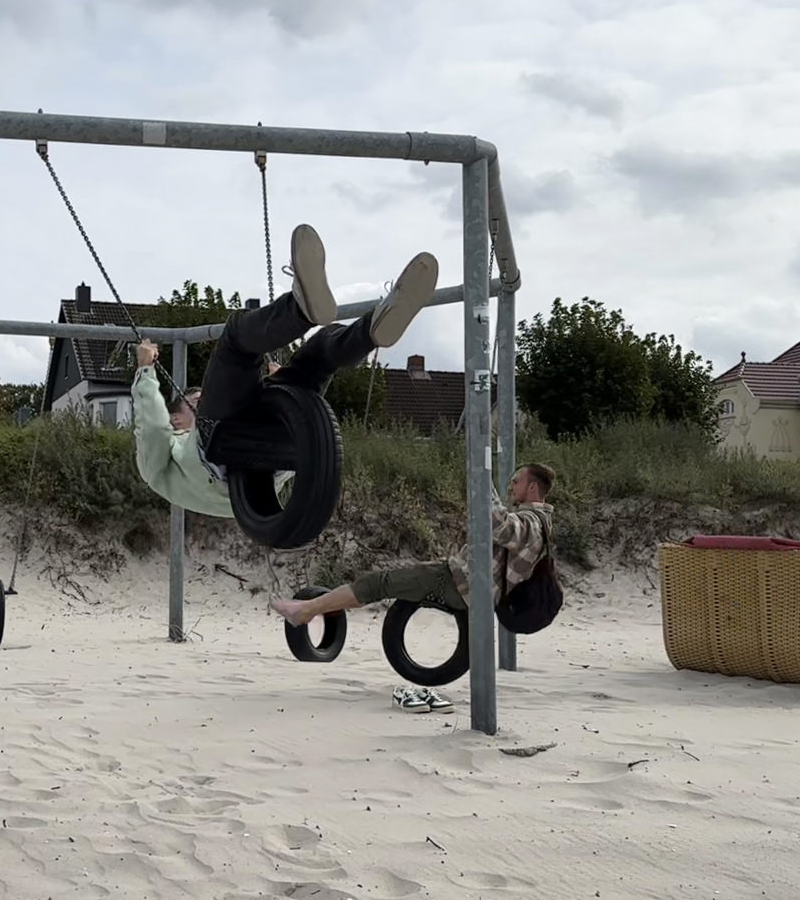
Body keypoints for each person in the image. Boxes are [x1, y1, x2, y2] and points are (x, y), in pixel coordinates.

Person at [131, 223, 438, 513]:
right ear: (176, 419)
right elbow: (153, 427)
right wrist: (145, 372)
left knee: (321, 351)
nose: (204, 400)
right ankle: (302, 311)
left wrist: (280, 390)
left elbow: (153, 429)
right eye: (197, 402)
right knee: (235, 340)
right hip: (221, 449)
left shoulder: (172, 479)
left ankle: (371, 329)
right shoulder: (176, 450)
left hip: (273, 452)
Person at [269, 460, 558, 639]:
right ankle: (312, 609)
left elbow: (499, 526)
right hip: (460, 579)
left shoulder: (533, 523)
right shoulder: (541, 523)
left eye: (517, 481)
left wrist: (484, 481)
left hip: (459, 583)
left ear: (533, 488)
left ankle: (305, 611)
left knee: (377, 583)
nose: (512, 486)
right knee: (380, 584)